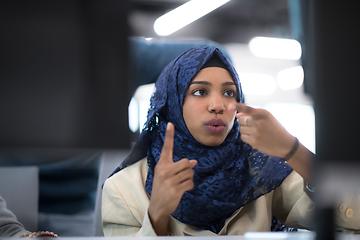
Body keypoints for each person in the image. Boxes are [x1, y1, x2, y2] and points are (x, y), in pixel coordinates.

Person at [101, 46, 360, 236]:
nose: (218, 105)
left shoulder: (261, 170)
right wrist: (156, 215)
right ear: (172, 103)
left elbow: (353, 218)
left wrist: (292, 149)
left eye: (229, 92)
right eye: (200, 92)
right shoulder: (123, 189)